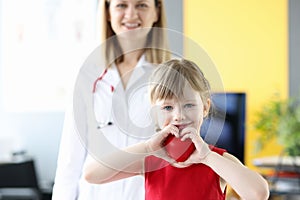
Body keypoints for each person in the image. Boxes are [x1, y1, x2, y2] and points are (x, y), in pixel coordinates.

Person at [84, 58, 270, 200]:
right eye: (167, 108)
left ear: (205, 108)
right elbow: (92, 174)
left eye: (189, 105)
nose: (179, 115)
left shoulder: (217, 160)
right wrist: (147, 148)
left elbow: (259, 193)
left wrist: (207, 157)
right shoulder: (151, 159)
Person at [52, 0, 170, 199]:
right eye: (121, 5)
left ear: (156, 12)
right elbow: (68, 165)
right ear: (107, 12)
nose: (131, 14)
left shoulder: (171, 76)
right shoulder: (86, 76)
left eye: (141, 5)